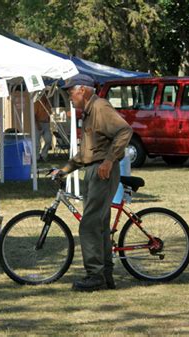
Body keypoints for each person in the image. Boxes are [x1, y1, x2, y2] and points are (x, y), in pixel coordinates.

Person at [52, 74, 133, 291]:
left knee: (88, 225)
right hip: (94, 170)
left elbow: (125, 130)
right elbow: (86, 153)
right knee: (99, 226)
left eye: (71, 92)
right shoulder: (89, 112)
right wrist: (65, 170)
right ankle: (105, 275)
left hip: (102, 171)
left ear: (84, 90)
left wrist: (109, 160)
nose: (69, 96)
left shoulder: (100, 107)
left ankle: (94, 276)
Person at [34, 95, 52, 161]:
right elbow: (34, 115)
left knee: (49, 139)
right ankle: (36, 157)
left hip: (46, 123)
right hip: (38, 123)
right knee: (37, 143)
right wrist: (38, 125)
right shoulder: (37, 103)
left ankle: (44, 155)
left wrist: (49, 123)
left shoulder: (48, 103)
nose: (46, 96)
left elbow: (49, 114)